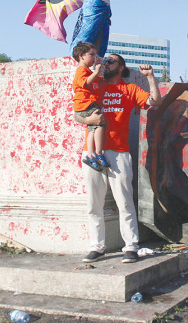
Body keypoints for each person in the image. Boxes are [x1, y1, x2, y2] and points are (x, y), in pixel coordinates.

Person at [75, 54, 162, 263]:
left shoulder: (130, 89)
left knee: (124, 202)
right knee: (93, 204)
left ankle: (131, 246)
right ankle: (97, 246)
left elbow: (155, 102)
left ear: (121, 68)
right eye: (104, 61)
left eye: (110, 61)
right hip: (93, 151)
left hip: (119, 152)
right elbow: (76, 114)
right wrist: (89, 119)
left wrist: (150, 78)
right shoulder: (95, 84)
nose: (105, 64)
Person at [71, 42, 107, 172]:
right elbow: (86, 83)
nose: (94, 58)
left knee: (92, 129)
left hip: (87, 104)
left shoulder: (86, 71)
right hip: (86, 104)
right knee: (100, 125)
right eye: (91, 55)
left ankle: (90, 155)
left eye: (95, 55)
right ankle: (98, 152)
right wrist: (96, 72)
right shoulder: (81, 70)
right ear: (81, 56)